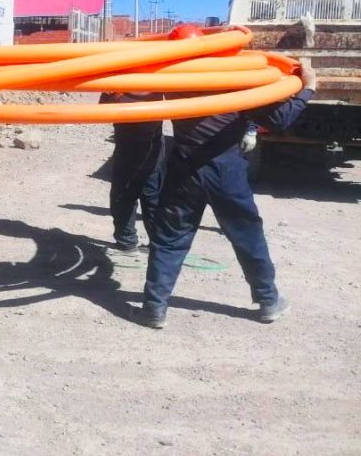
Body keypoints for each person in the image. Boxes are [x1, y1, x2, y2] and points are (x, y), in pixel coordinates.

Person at [132, 43, 317, 329]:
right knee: (247, 236)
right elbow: (279, 119)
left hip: (184, 169)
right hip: (225, 171)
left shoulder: (174, 77)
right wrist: (308, 88)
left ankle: (154, 309)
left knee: (170, 239)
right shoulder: (235, 78)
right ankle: (268, 301)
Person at [99, 92, 165, 252]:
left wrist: (110, 94)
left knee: (124, 192)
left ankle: (126, 241)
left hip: (131, 132)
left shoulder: (123, 81)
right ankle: (158, 243)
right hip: (152, 129)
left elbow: (103, 108)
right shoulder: (155, 78)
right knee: (151, 190)